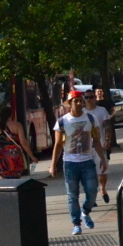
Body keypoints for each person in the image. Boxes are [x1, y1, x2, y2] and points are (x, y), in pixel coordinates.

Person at [51, 90, 108, 235]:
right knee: (72, 195)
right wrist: (53, 164)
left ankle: (85, 211)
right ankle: (76, 223)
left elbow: (96, 141)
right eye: (75, 101)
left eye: (80, 100)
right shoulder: (62, 122)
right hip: (70, 163)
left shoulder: (91, 118)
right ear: (69, 103)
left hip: (87, 161)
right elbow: (58, 144)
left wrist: (102, 159)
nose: (78, 103)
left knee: (92, 191)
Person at [0, 105, 38, 180]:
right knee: (15, 182)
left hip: (1, 158)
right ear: (11, 115)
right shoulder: (17, 125)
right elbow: (23, 142)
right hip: (15, 157)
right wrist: (32, 156)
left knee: (4, 183)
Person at [84, 90, 114, 203]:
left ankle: (102, 189)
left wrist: (107, 139)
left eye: (91, 97)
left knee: (102, 171)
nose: (89, 99)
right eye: (87, 97)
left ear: (95, 98)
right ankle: (92, 194)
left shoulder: (102, 111)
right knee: (89, 172)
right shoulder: (81, 112)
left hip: (100, 145)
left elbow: (107, 126)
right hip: (86, 147)